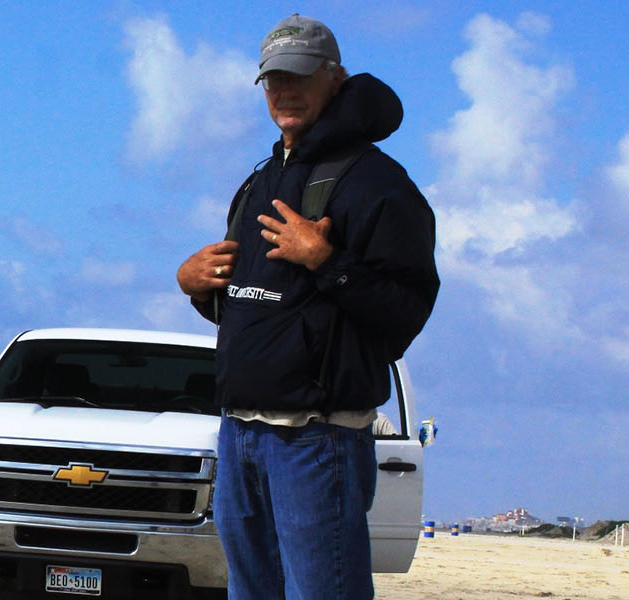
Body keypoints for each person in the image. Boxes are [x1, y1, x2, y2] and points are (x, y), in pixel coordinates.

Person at [173, 14, 440, 599]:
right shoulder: (261, 179)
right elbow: (256, 310)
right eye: (273, 80)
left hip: (317, 441)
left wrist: (327, 263)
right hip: (239, 432)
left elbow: (406, 312)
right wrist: (196, 288)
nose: (284, 91)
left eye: (299, 76)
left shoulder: (380, 185)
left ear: (335, 79)